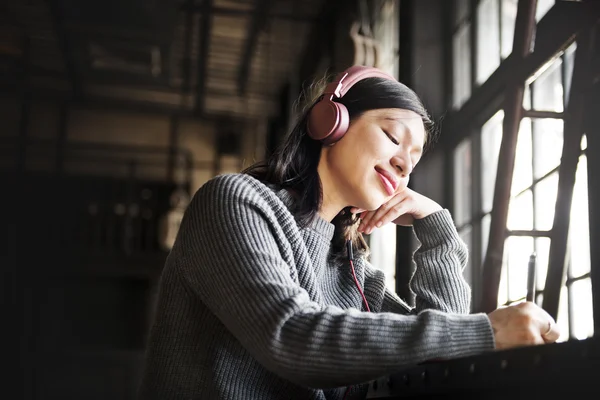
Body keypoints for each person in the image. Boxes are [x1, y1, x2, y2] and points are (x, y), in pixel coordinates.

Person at [138, 66, 560, 399]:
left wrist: (438, 232)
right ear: (330, 122)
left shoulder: (353, 270)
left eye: (413, 159)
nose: (404, 165)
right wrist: (486, 331)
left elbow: (434, 362)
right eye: (393, 137)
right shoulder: (234, 202)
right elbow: (291, 335)